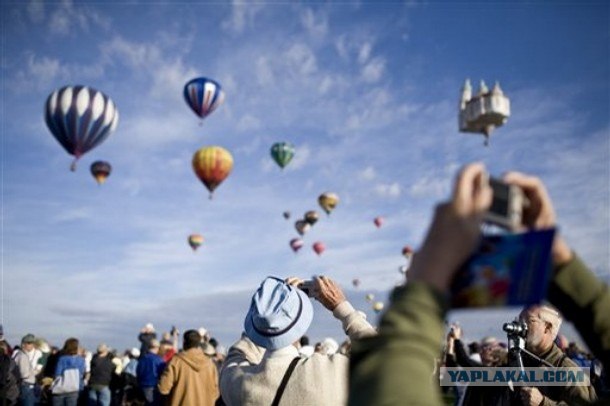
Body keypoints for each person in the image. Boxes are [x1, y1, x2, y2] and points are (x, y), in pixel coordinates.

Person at [348, 163, 610, 405]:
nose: (518, 327)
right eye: (519, 320)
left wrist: (544, 403)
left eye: (527, 322)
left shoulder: (567, 372)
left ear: (550, 328)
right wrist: (563, 267)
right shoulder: (513, 363)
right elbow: (465, 371)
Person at [220, 275, 376, 405]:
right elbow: (383, 354)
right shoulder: (332, 372)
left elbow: (237, 353)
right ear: (301, 323)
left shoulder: (237, 383)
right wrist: (341, 307)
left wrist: (265, 311)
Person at [517, 304, 596, 404]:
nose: (521, 325)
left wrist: (542, 402)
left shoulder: (568, 371)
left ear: (547, 328)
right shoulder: (519, 361)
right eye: (520, 319)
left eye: (530, 321)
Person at [158, 330, 219, 406]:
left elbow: (163, 388)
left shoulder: (176, 362)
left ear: (184, 342)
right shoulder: (210, 365)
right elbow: (216, 392)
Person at [52, 337, 87, 406]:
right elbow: (81, 374)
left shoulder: (62, 359)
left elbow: (57, 374)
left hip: (61, 388)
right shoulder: (81, 360)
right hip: (74, 388)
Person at [12, 333, 42, 406]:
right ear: (23, 344)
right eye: (29, 343)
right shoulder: (23, 356)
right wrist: (34, 372)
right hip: (26, 385)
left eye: (32, 343)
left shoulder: (18, 354)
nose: (31, 345)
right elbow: (24, 374)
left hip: (23, 385)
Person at [136, 339, 165, 405]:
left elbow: (138, 373)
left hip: (142, 386)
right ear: (157, 347)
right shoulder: (159, 360)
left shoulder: (141, 359)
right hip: (154, 387)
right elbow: (163, 374)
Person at [0, 340, 19, 405]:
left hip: (8, 395)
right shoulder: (11, 362)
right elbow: (17, 378)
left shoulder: (11, 363)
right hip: (9, 396)